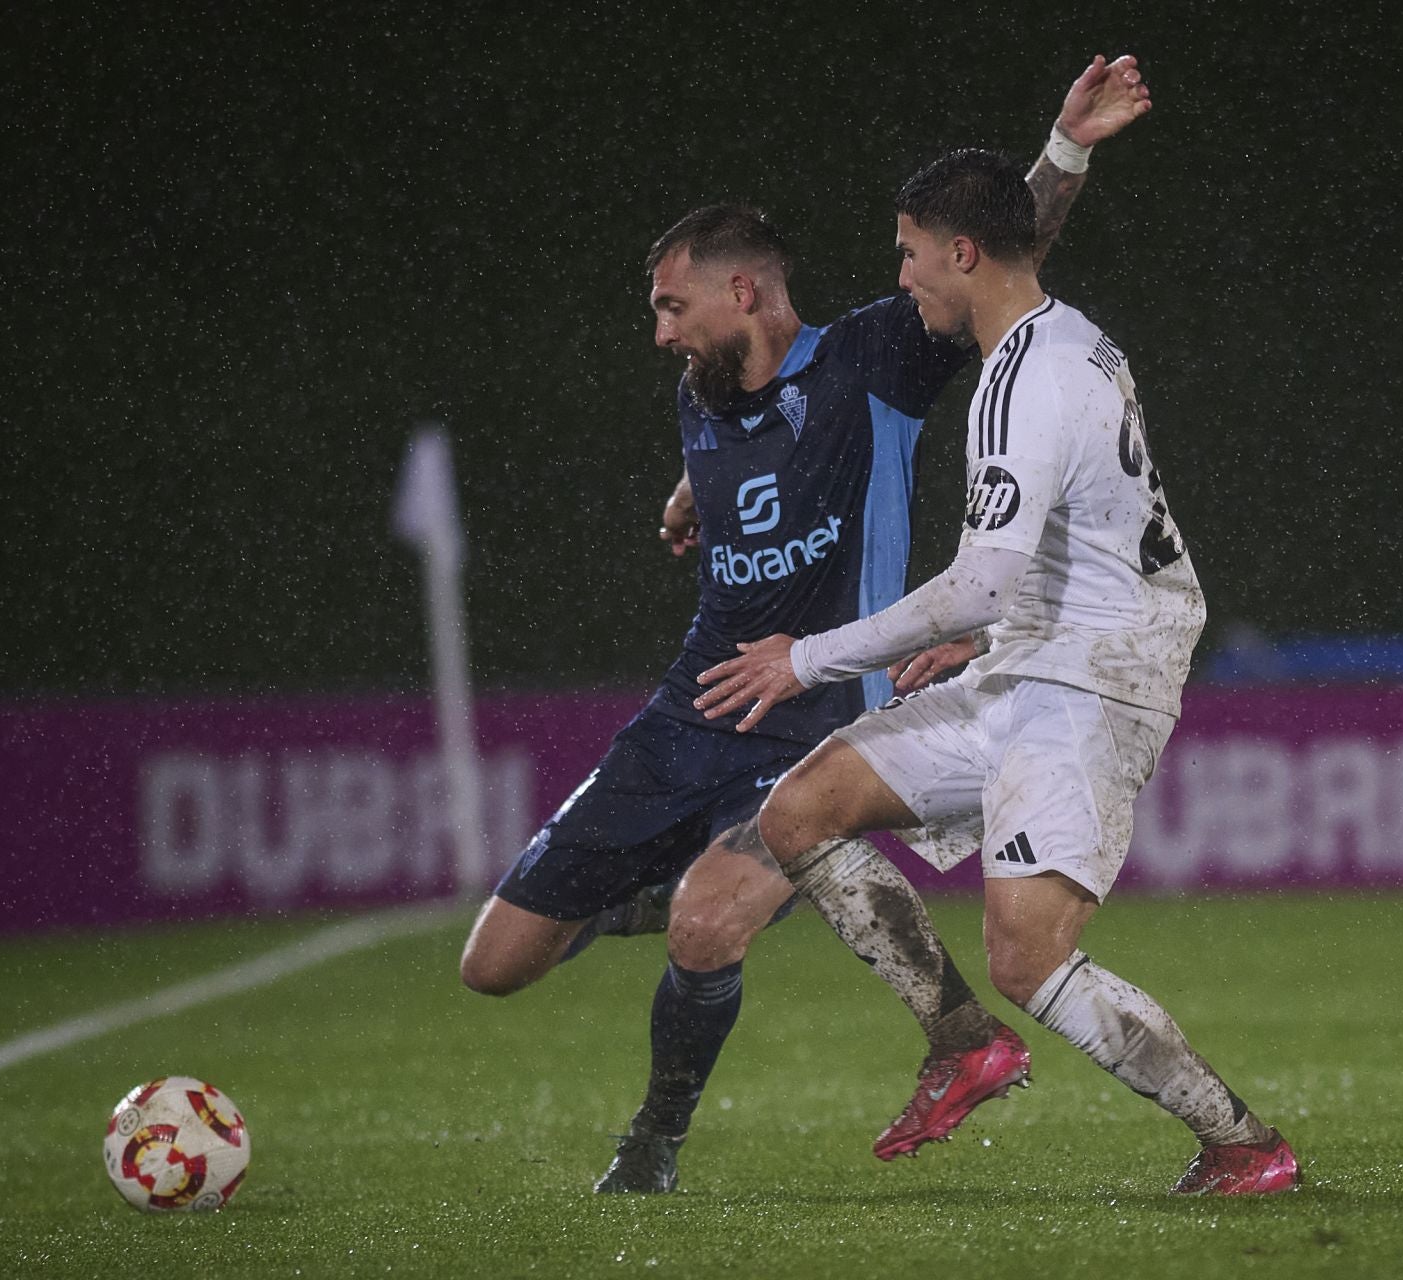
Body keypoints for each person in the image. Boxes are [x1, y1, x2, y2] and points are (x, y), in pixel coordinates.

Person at [456, 56, 1158, 1194]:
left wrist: (1066, 148)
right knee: (493, 964)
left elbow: (997, 255)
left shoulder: (874, 360)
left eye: (670, 307)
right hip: (696, 706)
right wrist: (691, 497)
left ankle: (654, 1142)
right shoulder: (702, 394)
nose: (658, 335)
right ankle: (689, 881)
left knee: (703, 927)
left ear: (744, 294)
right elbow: (738, 467)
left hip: (816, 715)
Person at [691, 147, 1301, 1195]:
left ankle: (1242, 1142)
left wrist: (810, 658)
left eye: (910, 254)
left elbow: (979, 581)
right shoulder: (1068, 341)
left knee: (1029, 956)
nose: (902, 278)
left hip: (1092, 682)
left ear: (962, 252)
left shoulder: (1028, 377)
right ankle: (960, 1040)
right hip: (1034, 659)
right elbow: (1088, 528)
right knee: (801, 810)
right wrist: (988, 632)